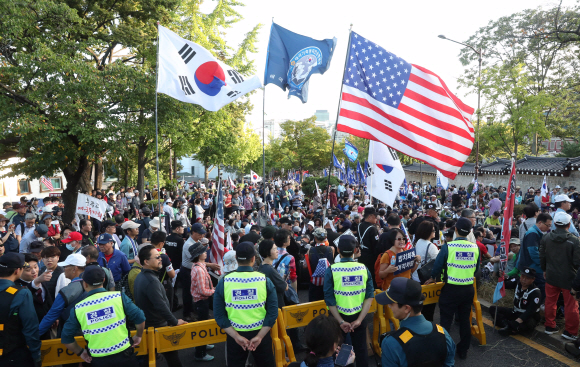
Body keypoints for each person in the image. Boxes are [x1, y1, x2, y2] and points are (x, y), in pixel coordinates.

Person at [61, 266, 145, 366]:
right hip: (125, 356)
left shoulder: (78, 308)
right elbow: (140, 318)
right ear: (104, 280)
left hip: (98, 360)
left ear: (85, 284)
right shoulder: (118, 297)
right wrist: (138, 335)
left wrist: (81, 352)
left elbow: (66, 338)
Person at [213, 242, 278, 367]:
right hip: (261, 334)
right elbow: (272, 313)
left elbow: (219, 315)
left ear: (236, 259)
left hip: (234, 335)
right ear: (253, 259)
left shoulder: (224, 282)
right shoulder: (264, 280)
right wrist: (259, 337)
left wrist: (236, 336)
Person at [425, 217, 479, 360]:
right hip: (467, 289)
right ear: (469, 232)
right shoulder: (475, 247)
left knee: (446, 321)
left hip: (451, 289)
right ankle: (463, 350)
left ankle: (444, 350)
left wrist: (432, 277)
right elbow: (476, 269)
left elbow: (437, 266)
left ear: (455, 229)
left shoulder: (448, 246)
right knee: (465, 320)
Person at [377, 277, 455, 367]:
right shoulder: (443, 334)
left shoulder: (391, 343)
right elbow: (449, 364)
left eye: (391, 303)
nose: (389, 306)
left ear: (407, 308)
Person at [324, 235, 374, 367]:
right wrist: (359, 320)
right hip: (359, 317)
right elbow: (369, 297)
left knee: (340, 352)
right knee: (361, 350)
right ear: (355, 250)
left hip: (338, 319)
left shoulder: (332, 270)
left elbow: (329, 300)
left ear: (338, 250)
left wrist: (341, 321)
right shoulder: (364, 269)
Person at [134, 245, 187, 366]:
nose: (160, 259)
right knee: (173, 359)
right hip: (158, 326)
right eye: (157, 257)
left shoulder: (141, 276)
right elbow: (160, 305)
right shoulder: (151, 281)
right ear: (146, 261)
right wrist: (174, 321)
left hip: (149, 325)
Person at [540, 211, 580, 340]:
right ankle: (570, 332)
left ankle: (549, 326)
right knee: (571, 305)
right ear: (569, 224)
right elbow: (577, 262)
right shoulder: (574, 241)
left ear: (555, 224)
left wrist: (544, 269)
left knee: (550, 301)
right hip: (569, 278)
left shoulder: (546, 237)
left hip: (551, 275)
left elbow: (542, 256)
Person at [0, 253, 42, 367]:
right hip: (12, 354)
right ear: (17, 271)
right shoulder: (21, 293)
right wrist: (36, 354)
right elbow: (30, 327)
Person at [489, 267, 541, 336]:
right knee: (493, 309)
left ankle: (509, 326)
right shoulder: (518, 282)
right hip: (515, 312)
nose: (524, 280)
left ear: (533, 279)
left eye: (527, 278)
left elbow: (530, 311)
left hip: (527, 317)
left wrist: (518, 321)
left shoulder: (536, 292)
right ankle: (508, 326)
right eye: (522, 277)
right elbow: (504, 285)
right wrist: (502, 277)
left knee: (528, 325)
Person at [14, 254, 53, 340]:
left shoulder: (42, 280)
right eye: (28, 269)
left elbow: (48, 299)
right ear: (19, 270)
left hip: (46, 326)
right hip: (29, 331)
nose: (34, 271)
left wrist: (55, 317)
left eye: (35, 267)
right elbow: (22, 295)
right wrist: (36, 281)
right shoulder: (15, 285)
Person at [188, 241, 216, 361]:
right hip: (201, 301)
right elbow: (202, 291)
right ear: (199, 255)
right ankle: (200, 353)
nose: (206, 252)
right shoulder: (199, 270)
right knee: (202, 327)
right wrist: (215, 291)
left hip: (202, 301)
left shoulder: (200, 266)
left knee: (203, 325)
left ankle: (204, 344)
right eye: (203, 251)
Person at [181, 223, 210, 322]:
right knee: (188, 293)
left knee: (195, 291)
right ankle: (187, 313)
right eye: (200, 234)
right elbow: (196, 259)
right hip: (187, 270)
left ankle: (194, 310)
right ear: (193, 232)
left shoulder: (196, 241)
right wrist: (210, 265)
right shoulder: (189, 244)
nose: (202, 236)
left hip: (194, 269)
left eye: (203, 234)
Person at [411, 221, 439, 321]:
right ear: (428, 232)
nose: (435, 232)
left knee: (418, 306)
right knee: (428, 307)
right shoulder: (431, 246)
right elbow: (438, 262)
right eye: (433, 230)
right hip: (426, 279)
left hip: (415, 276)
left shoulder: (418, 242)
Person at [306, 228, 334, 302]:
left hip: (315, 282)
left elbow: (306, 266)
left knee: (314, 304)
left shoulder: (310, 251)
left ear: (315, 238)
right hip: (328, 281)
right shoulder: (331, 249)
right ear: (325, 238)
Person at [259, 239, 288, 309]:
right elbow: (285, 287)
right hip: (276, 306)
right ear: (267, 252)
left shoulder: (261, 266)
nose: (277, 251)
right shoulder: (270, 270)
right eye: (274, 249)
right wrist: (283, 280)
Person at [356, 207, 380, 286]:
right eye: (375, 216)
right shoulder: (372, 228)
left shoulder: (359, 225)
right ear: (370, 216)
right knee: (370, 277)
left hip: (361, 254)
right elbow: (376, 246)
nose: (376, 218)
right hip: (370, 257)